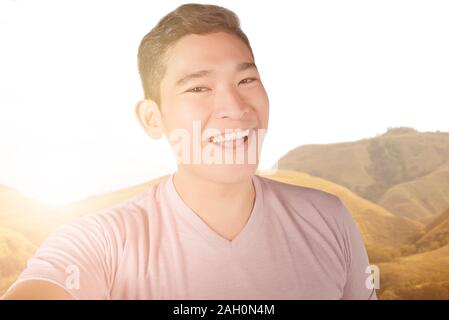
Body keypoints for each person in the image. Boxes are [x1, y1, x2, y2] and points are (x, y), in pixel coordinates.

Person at [2, 3, 376, 300]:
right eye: (199, 89)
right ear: (152, 118)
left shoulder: (329, 220)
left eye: (246, 80)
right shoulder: (101, 242)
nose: (235, 106)